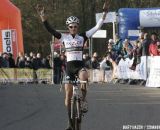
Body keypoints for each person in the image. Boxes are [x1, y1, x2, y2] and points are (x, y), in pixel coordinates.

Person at [36, 1, 109, 129]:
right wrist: (42, 16)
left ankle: (84, 100)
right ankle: (70, 124)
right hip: (69, 68)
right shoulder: (63, 37)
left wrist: (104, 13)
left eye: (75, 26)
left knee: (84, 76)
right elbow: (50, 29)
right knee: (68, 96)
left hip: (79, 66)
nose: (73, 28)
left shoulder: (83, 36)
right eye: (71, 26)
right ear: (68, 27)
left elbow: (97, 27)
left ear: (78, 27)